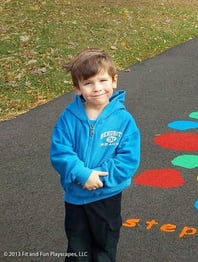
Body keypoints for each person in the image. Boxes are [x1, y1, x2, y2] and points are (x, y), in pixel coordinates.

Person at [50, 48, 141, 262]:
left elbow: (128, 159)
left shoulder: (123, 120)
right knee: (77, 248)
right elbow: (60, 152)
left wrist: (99, 178)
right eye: (88, 83)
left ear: (114, 80)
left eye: (102, 80)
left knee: (104, 248)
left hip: (106, 196)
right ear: (77, 88)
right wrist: (82, 174)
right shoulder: (69, 118)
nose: (97, 88)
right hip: (76, 196)